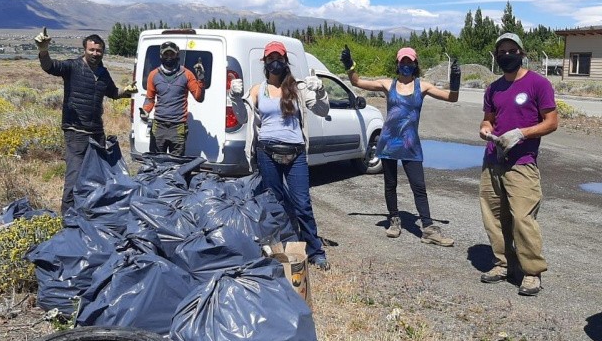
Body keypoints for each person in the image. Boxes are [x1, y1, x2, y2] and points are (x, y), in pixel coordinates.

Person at [341, 45, 460, 246]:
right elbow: (357, 81)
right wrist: (350, 65)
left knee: (419, 186)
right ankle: (394, 220)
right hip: (389, 142)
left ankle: (428, 229)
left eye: (409, 61)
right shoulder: (388, 84)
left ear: (415, 64)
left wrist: (455, 81)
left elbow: (452, 97)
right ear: (398, 63)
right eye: (403, 61)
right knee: (390, 184)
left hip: (410, 144)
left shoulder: (423, 86)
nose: (406, 64)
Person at [230, 41, 331, 270]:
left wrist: (321, 91)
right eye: (270, 58)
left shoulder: (299, 88)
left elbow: (323, 110)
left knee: (302, 203)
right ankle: (277, 246)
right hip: (267, 151)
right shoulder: (257, 90)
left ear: (285, 61)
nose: (275, 62)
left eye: (279, 58)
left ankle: (316, 251)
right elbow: (242, 118)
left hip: (295, 153)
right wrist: (234, 98)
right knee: (273, 202)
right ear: (264, 62)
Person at [477, 33, 558, 296]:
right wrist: (486, 129)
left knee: (523, 218)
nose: (507, 55)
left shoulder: (538, 84)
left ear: (522, 54)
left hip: (521, 163)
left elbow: (552, 122)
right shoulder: (494, 88)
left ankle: (531, 272)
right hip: (492, 160)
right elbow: (488, 119)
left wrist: (521, 133)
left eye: (512, 51)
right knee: (494, 216)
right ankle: (503, 264)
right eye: (502, 52)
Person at [34, 28, 136, 214]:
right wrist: (43, 50)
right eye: (91, 50)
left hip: (97, 132)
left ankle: (90, 213)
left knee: (98, 175)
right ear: (84, 49)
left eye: (99, 51)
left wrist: (125, 91)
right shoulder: (72, 67)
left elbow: (112, 92)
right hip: (76, 132)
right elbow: (50, 66)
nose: (95, 53)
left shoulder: (103, 73)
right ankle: (68, 219)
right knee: (75, 177)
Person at [142, 41, 205, 156]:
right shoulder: (153, 75)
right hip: (158, 126)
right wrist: (145, 111)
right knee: (156, 163)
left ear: (177, 55)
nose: (169, 57)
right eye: (166, 54)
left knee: (176, 165)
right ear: (161, 56)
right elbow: (150, 99)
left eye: (172, 54)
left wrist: (200, 79)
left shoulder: (187, 74)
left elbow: (198, 97)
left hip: (178, 126)